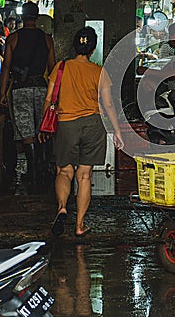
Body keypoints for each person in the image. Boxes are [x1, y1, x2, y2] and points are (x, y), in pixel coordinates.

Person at [40, 26, 124, 237]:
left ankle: (62, 208)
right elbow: (109, 105)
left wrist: (44, 124)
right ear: (93, 48)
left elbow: (49, 98)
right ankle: (79, 225)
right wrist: (117, 131)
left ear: (74, 45)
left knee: (64, 172)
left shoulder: (61, 66)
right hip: (93, 125)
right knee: (84, 176)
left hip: (66, 124)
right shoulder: (99, 71)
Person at [0, 2, 56, 193]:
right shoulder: (47, 39)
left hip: (20, 89)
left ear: (23, 17)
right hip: (41, 89)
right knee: (42, 129)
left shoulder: (13, 38)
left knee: (26, 132)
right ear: (37, 17)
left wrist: (2, 92)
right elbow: (53, 69)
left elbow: (6, 68)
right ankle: (42, 170)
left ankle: (32, 172)